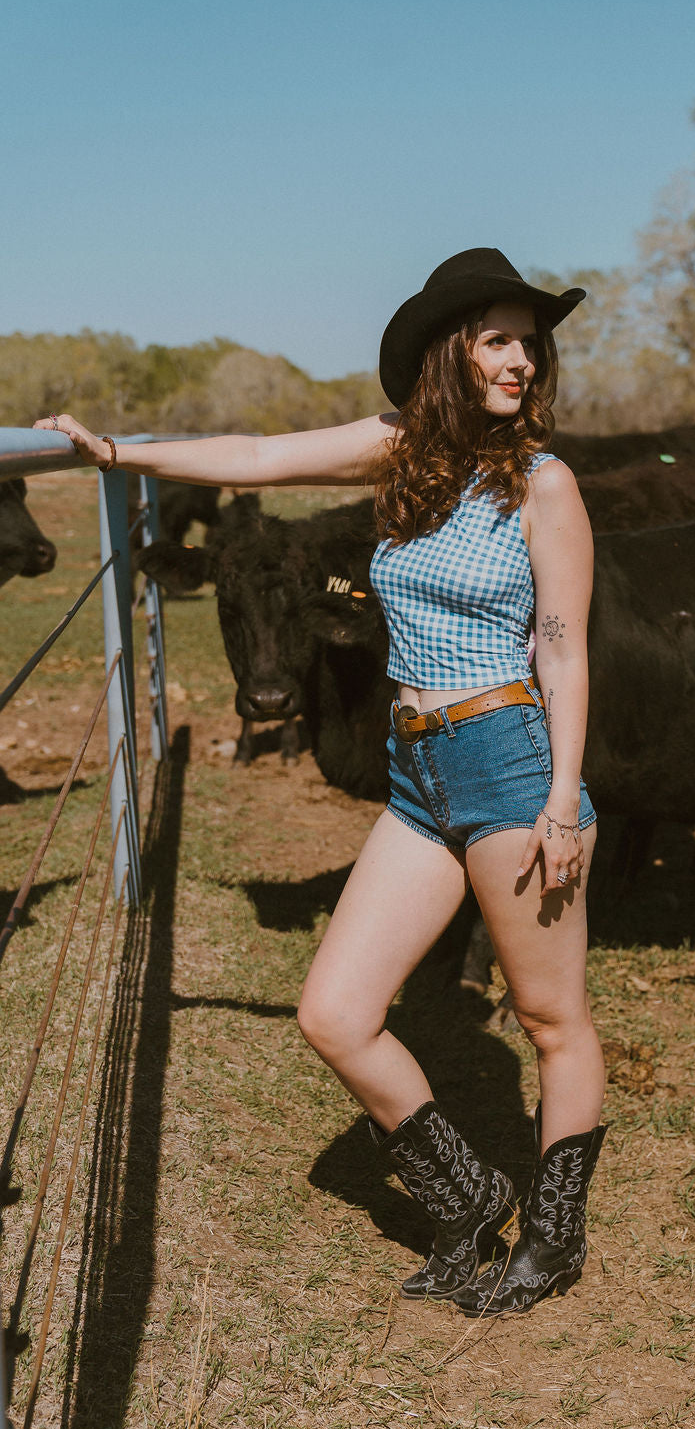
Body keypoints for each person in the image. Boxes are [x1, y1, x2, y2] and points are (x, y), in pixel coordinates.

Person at [37, 247, 606, 1316]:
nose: (522, 359)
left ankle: (555, 1237)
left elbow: (564, 646)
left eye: (530, 342)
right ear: (450, 352)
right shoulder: (400, 453)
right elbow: (256, 454)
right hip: (417, 771)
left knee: (548, 1015)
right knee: (335, 1011)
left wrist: (561, 799)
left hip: (508, 759)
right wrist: (119, 453)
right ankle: (469, 1196)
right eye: (497, 338)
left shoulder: (544, 484)